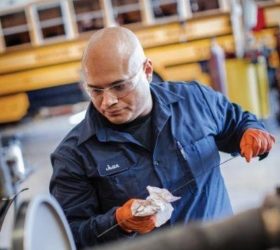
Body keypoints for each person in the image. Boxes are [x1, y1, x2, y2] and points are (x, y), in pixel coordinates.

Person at [49, 27, 275, 248]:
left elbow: (237, 122)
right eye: (96, 91)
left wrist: (252, 132)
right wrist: (117, 222)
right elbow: (70, 236)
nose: (107, 101)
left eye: (119, 86)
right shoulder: (73, 155)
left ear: (147, 71)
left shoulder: (194, 101)